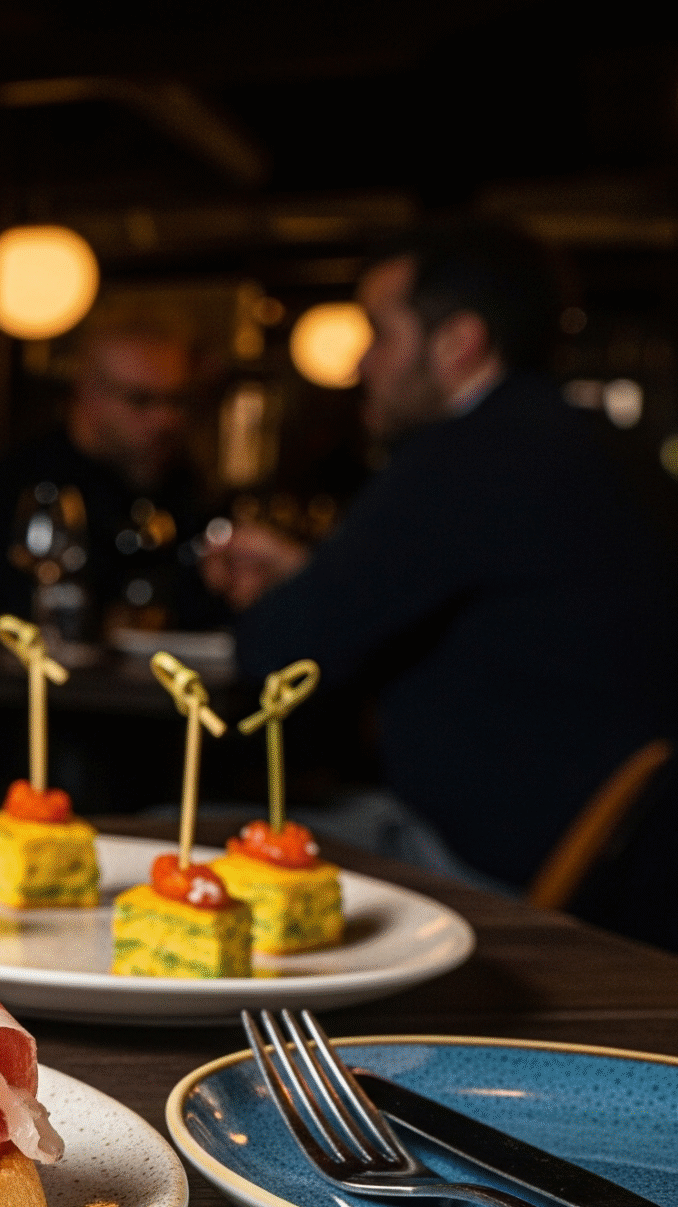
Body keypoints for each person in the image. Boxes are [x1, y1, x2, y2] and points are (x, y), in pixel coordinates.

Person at [200, 220, 678, 936]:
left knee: (167, 834)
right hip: (622, 871)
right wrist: (309, 572)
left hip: (494, 869)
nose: (361, 362)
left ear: (459, 343)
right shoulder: (598, 449)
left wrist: (283, 593)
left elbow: (278, 652)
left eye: (379, 332)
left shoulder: (467, 456)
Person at [0, 313, 221, 628]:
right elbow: (1, 611)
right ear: (88, 392)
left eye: (176, 400)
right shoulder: (24, 486)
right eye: (140, 400)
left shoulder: (182, 483)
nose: (165, 420)